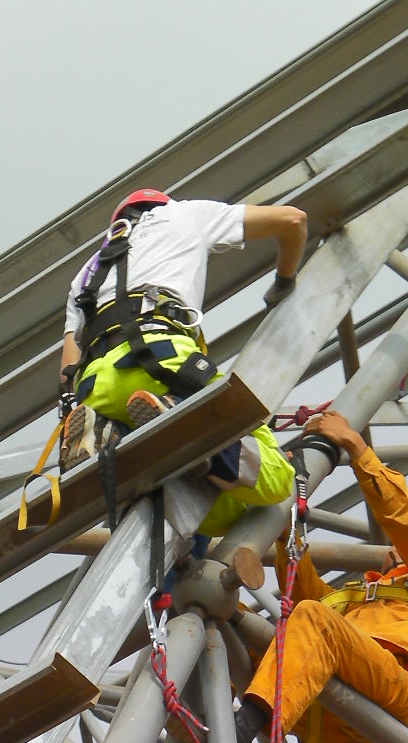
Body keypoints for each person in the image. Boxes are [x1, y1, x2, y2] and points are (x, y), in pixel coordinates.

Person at [233, 409, 408, 743]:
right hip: (323, 713)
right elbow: (301, 587)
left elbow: (403, 522)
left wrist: (356, 447)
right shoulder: (353, 601)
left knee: (313, 619)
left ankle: (243, 726)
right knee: (222, 620)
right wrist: (284, 527)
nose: (394, 550)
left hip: (393, 693)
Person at [59, 188, 306, 538]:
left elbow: (67, 371)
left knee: (214, 513)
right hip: (162, 362)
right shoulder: (183, 214)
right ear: (160, 205)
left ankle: (109, 435)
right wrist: (284, 280)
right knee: (277, 478)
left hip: (96, 388)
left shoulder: (86, 273)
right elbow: (293, 220)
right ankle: (176, 422)